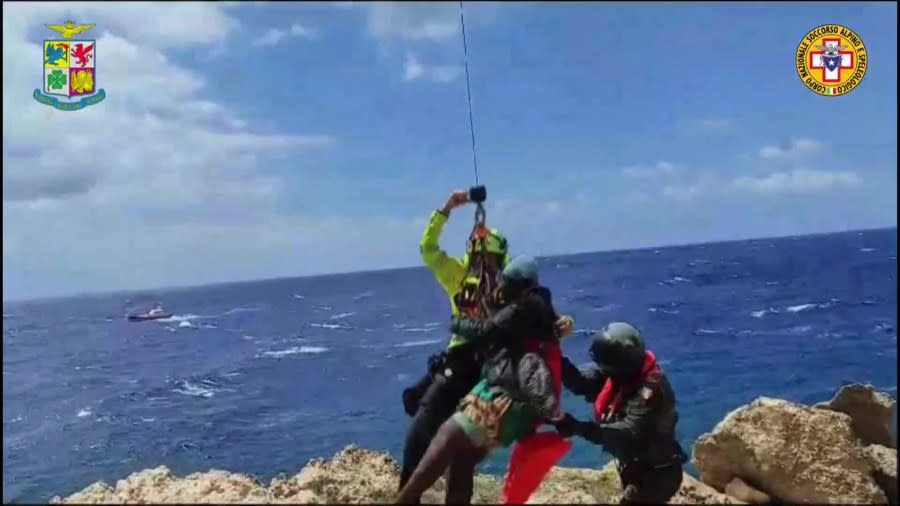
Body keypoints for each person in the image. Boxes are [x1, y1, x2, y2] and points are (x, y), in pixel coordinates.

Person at [396, 255, 569, 505]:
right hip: (516, 407)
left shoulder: (523, 308)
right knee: (461, 460)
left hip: (503, 403)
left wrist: (458, 322)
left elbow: (485, 333)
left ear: (519, 284)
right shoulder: (538, 309)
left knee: (446, 436)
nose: (501, 286)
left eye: (506, 281)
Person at [398, 190, 512, 502]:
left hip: (466, 365)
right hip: (486, 371)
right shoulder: (504, 284)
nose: (483, 265)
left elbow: (428, 248)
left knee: (424, 435)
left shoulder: (462, 277)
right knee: (450, 445)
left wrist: (448, 208)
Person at [553, 322, 687, 505]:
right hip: (637, 468)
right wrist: (554, 359)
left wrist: (578, 428)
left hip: (656, 475)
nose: (604, 370)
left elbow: (628, 432)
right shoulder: (621, 376)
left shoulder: (651, 389)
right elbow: (582, 384)